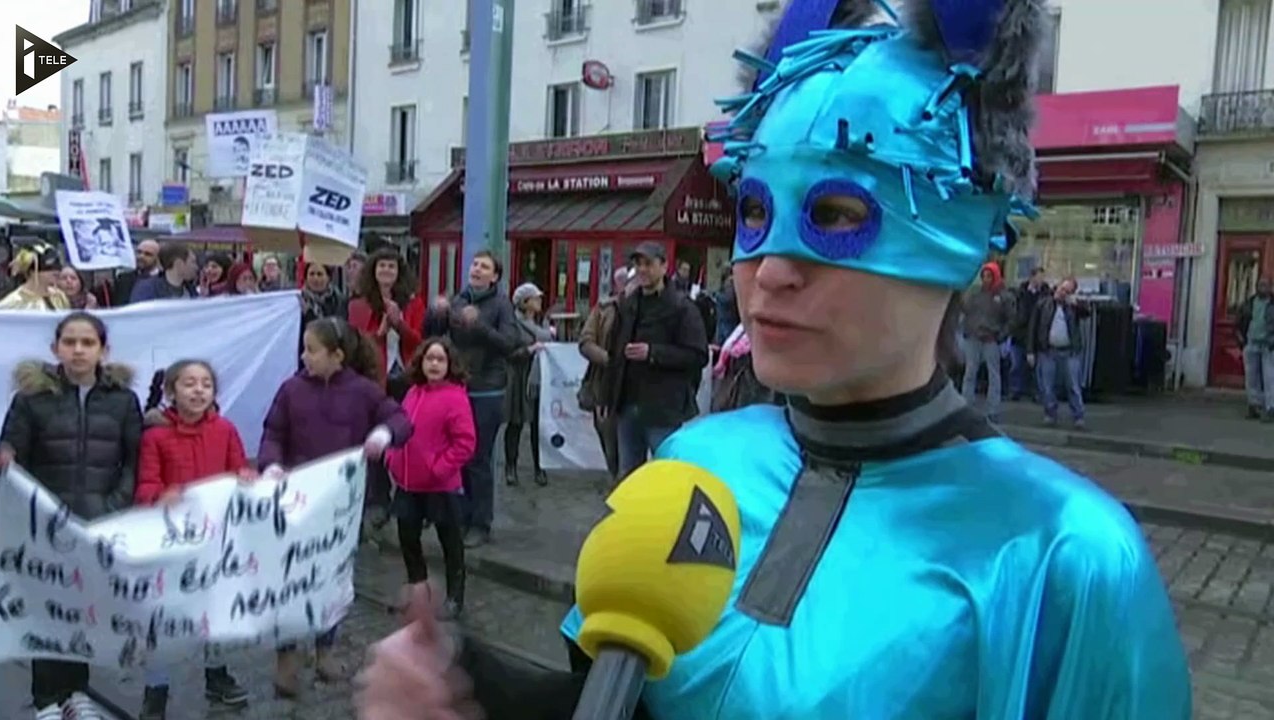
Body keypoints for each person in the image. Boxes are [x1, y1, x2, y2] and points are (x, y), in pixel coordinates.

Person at [355, 1, 1191, 718]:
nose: (769, 271)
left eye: (835, 212)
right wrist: (467, 681)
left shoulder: (1065, 556)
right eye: (754, 213)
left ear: (958, 239)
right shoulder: (699, 461)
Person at [0, 312, 142, 720]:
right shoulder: (30, 399)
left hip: (98, 524)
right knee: (47, 608)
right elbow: (13, 452)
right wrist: (5, 457)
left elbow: (134, 459)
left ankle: (77, 694)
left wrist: (116, 504)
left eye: (87, 343)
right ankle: (46, 699)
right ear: (55, 349)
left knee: (83, 607)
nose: (78, 350)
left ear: (103, 350)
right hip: (44, 524)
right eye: (70, 342)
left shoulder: (122, 400)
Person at [258, 316, 413, 697]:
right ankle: (287, 657)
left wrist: (383, 434)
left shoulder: (363, 391)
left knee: (332, 580)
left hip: (341, 507)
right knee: (289, 581)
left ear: (337, 355)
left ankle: (325, 649)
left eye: (312, 350)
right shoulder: (291, 389)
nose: (304, 356)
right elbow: (273, 432)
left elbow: (400, 418)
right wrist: (271, 465)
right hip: (294, 503)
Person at [133, 360, 253, 719]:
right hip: (170, 546)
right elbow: (145, 486)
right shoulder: (154, 437)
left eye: (205, 384)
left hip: (215, 543)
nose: (198, 390)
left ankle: (216, 676)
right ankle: (156, 689)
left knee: (215, 613)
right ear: (171, 392)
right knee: (163, 617)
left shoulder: (226, 429)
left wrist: (248, 476)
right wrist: (159, 495)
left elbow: (239, 470)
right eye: (189, 384)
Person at [422, 250, 519, 549]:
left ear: (495, 276)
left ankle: (481, 523)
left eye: (484, 266)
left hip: (487, 389)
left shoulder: (502, 304)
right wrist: (435, 314)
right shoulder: (458, 299)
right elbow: (432, 336)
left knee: (479, 458)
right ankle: (460, 516)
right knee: (458, 455)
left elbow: (510, 344)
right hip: (457, 388)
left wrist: (479, 326)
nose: (476, 269)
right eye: (475, 264)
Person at [599, 241, 709, 481]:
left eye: (648, 264)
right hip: (628, 407)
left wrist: (653, 353)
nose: (642, 270)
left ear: (664, 266)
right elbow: (615, 354)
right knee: (629, 478)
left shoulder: (681, 307)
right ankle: (633, 519)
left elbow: (698, 355)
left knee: (664, 478)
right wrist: (608, 396)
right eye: (638, 264)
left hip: (663, 409)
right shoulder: (628, 304)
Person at [386, 337, 476, 620]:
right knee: (407, 539)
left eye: (440, 359)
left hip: (440, 486)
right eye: (429, 359)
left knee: (450, 542)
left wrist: (438, 469)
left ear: (449, 365)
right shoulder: (412, 392)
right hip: (407, 483)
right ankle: (418, 593)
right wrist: (391, 456)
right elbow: (399, 427)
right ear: (421, 362)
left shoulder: (455, 397)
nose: (434, 364)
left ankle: (455, 598)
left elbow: (465, 443)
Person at [347, 247, 426, 398]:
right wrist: (380, 333)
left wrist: (399, 325)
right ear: (373, 270)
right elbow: (356, 346)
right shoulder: (358, 306)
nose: (386, 270)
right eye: (382, 265)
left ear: (398, 272)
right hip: (374, 375)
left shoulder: (414, 303)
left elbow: (420, 343)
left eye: (391, 266)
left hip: (407, 375)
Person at [578, 267, 631, 484]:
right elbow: (585, 341)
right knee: (608, 437)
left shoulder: (648, 310)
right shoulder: (603, 309)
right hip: (605, 385)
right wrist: (608, 359)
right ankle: (615, 476)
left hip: (636, 386)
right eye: (625, 282)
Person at [1027, 277, 1092, 429]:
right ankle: (1050, 413)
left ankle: (1078, 416)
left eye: (1068, 291)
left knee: (1073, 385)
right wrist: (1030, 350)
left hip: (1069, 351)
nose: (1063, 293)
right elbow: (1033, 327)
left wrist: (1075, 303)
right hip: (1047, 350)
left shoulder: (1072, 307)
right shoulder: (1043, 303)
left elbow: (1087, 312)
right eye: (1062, 289)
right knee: (1047, 385)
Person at [503, 282, 552, 487]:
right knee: (515, 423)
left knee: (538, 426)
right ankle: (510, 466)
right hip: (519, 379)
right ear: (524, 302)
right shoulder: (512, 325)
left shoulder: (542, 324)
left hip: (539, 379)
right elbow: (508, 352)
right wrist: (530, 350)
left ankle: (539, 467)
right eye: (535, 298)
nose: (539, 301)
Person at [959, 261, 1012, 421]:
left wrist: (1000, 335)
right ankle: (966, 405)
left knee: (993, 374)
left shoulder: (1004, 296)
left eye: (989, 276)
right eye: (984, 276)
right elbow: (966, 310)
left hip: (991, 338)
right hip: (974, 337)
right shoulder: (975, 293)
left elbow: (1011, 319)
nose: (986, 279)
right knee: (970, 372)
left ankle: (993, 408)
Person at [1235, 277, 1274, 422]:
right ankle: (1254, 406)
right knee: (1251, 378)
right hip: (1251, 343)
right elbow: (1239, 321)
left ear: (1270, 287)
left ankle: (1271, 408)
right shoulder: (1249, 303)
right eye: (1260, 285)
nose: (1262, 288)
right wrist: (1241, 339)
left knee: (1270, 378)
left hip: (1268, 345)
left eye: (1265, 285)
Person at [1007, 267, 1049, 401]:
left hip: (1037, 334)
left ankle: (1036, 392)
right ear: (1032, 277)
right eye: (1039, 277)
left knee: (1036, 368)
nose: (1041, 280)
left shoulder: (1045, 294)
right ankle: (1015, 390)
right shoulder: (1021, 293)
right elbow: (1015, 311)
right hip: (1020, 333)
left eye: (1042, 277)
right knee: (1016, 365)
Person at [0, 243, 70, 310]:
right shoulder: (14, 302)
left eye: (58, 267)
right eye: (48, 268)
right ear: (32, 271)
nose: (56, 271)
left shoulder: (59, 297)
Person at [130, 243, 198, 303]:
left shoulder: (191, 290)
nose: (196, 267)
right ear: (179, 264)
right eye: (193, 262)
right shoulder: (146, 289)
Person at [106, 239, 160, 306]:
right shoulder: (123, 279)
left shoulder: (163, 280)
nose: (141, 256)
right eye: (139, 252)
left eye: (148, 254)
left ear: (157, 258)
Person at [300, 261, 348, 331]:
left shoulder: (339, 300)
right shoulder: (300, 301)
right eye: (311, 274)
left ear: (328, 278)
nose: (315, 278)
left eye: (320, 274)